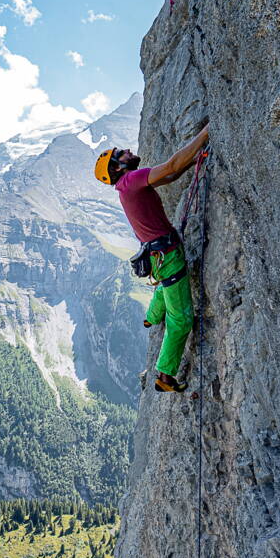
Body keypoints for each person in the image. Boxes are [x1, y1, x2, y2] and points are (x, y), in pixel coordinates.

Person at [93, 124, 209, 392]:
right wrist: (204, 134)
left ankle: (152, 316)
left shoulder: (126, 185)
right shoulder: (131, 181)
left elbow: (168, 177)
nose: (129, 151)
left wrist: (194, 158)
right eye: (122, 153)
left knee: (166, 285)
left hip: (157, 253)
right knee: (181, 319)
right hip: (166, 255)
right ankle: (165, 375)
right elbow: (169, 168)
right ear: (117, 167)